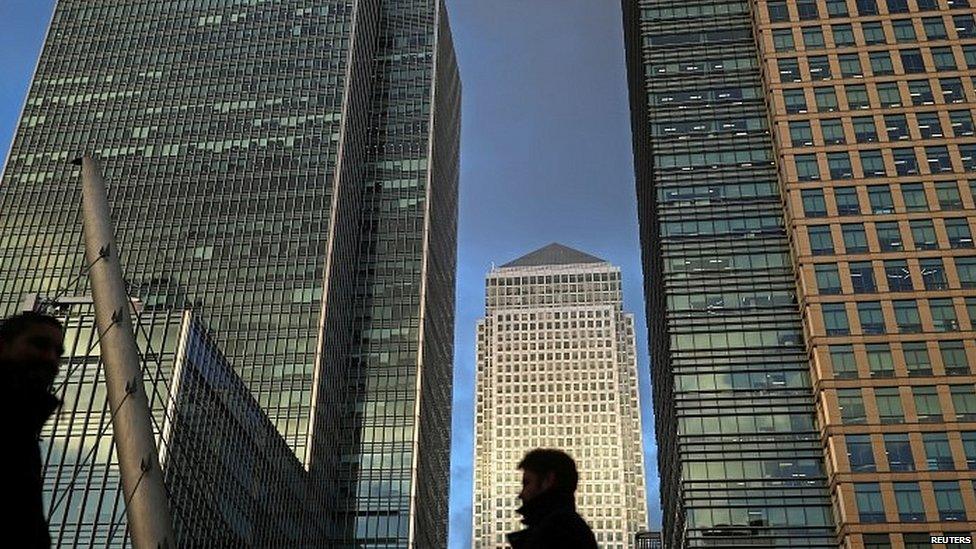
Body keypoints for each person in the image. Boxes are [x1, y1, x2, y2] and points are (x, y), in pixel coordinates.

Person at [1, 312, 65, 548]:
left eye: (58, 353)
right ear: (3, 346)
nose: (51, 358)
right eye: (39, 344)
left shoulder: (24, 424)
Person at [507, 448, 598, 549]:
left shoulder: (555, 530)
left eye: (527, 483)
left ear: (548, 480)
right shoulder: (569, 527)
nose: (521, 494)